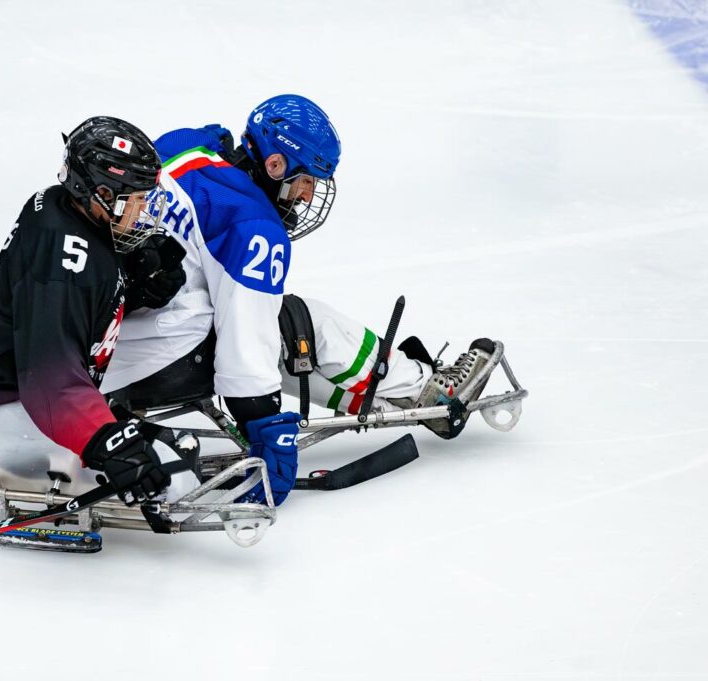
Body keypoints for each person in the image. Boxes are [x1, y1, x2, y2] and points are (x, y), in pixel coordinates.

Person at [103, 95, 496, 505]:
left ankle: (392, 396)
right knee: (299, 323)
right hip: (156, 358)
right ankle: (422, 389)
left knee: (263, 323)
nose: (307, 196)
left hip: (105, 346)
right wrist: (267, 426)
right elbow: (247, 347)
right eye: (306, 180)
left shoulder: (183, 146)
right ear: (275, 165)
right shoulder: (252, 223)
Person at [0, 115, 194, 506]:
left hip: (28, 395)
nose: (142, 211)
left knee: (171, 455)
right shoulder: (63, 263)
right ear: (100, 192)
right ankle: (9, 456)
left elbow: (77, 309)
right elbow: (49, 378)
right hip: (17, 409)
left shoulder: (63, 208)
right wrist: (106, 442)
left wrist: (136, 285)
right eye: (134, 199)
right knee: (174, 475)